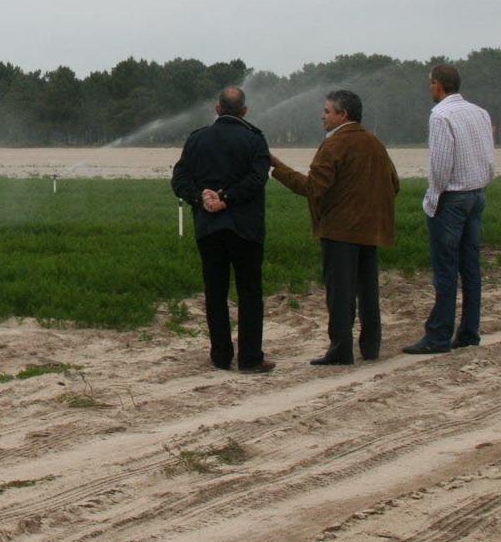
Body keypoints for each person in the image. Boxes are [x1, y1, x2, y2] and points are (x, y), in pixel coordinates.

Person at [270, 90, 399, 365]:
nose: (322, 116)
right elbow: (394, 184)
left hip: (339, 231)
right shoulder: (375, 143)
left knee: (340, 293)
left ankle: (340, 350)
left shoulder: (334, 145)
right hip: (371, 230)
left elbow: (312, 187)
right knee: (368, 289)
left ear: (344, 115)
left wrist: (277, 168)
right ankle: (371, 346)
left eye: (327, 111)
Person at [171, 86, 274, 373]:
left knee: (215, 292)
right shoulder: (255, 139)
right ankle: (251, 358)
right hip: (246, 230)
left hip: (209, 229)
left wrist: (201, 198)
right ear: (244, 111)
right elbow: (257, 180)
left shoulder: (197, 139)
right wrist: (227, 199)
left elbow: (179, 178)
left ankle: (220, 356)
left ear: (217, 109)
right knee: (249, 292)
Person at [404, 64, 495, 355]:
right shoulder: (480, 113)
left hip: (452, 198)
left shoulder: (441, 115)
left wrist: (432, 199)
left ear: (438, 85)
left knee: (445, 269)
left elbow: (440, 166)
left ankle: (438, 336)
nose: (429, 88)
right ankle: (469, 331)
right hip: (477, 194)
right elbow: (489, 159)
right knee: (470, 267)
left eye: (430, 83)